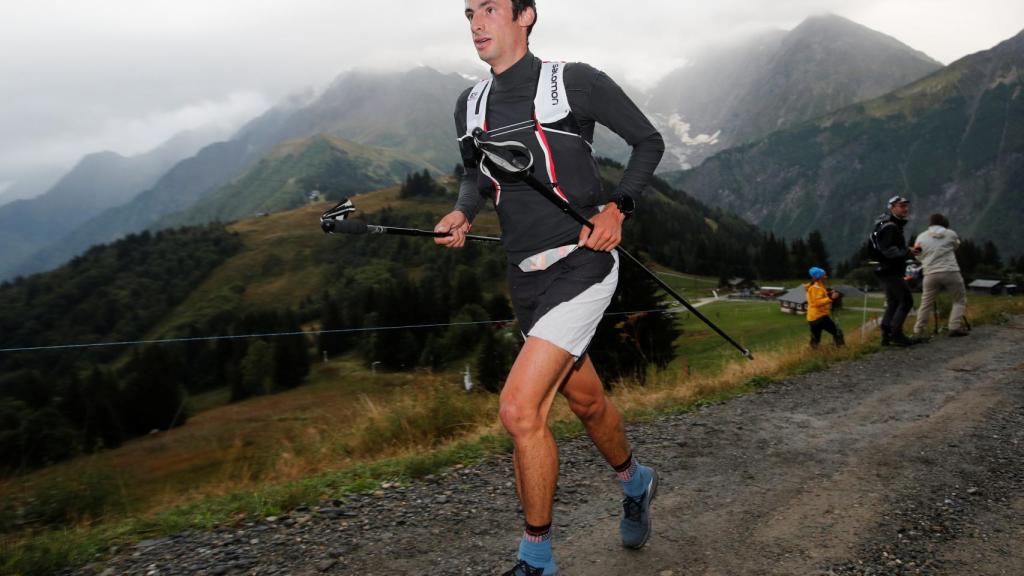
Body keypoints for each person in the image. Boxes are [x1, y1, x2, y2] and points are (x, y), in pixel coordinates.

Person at [434, 1, 664, 574]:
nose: (476, 24)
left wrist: (618, 207)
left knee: (519, 410)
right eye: (469, 13)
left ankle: (536, 558)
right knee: (585, 401)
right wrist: (462, 212)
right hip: (524, 277)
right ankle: (636, 482)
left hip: (583, 264)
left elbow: (648, 141)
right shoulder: (469, 104)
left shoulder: (574, 82)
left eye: (489, 9)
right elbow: (474, 175)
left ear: (525, 15)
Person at [870, 195, 921, 346]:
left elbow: (889, 247)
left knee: (893, 301)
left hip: (884, 269)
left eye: (906, 206)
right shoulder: (891, 227)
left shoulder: (886, 224)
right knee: (906, 300)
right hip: (891, 270)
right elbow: (889, 251)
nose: (905, 209)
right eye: (901, 206)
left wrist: (906, 249)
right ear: (892, 208)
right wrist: (907, 252)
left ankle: (886, 335)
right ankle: (896, 335)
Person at [912, 213, 969, 337]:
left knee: (926, 303)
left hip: (930, 274)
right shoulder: (951, 234)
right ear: (944, 222)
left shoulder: (921, 237)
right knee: (959, 300)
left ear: (930, 223)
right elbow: (956, 246)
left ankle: (918, 330)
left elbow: (917, 255)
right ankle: (954, 327)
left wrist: (926, 259)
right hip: (950, 271)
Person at [805, 267, 845, 348]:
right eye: (824, 276)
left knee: (815, 339)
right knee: (837, 332)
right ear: (819, 277)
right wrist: (831, 298)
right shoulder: (816, 288)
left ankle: (813, 352)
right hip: (820, 316)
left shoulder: (815, 286)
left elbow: (820, 295)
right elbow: (816, 302)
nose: (826, 277)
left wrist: (829, 293)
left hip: (812, 318)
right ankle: (841, 349)